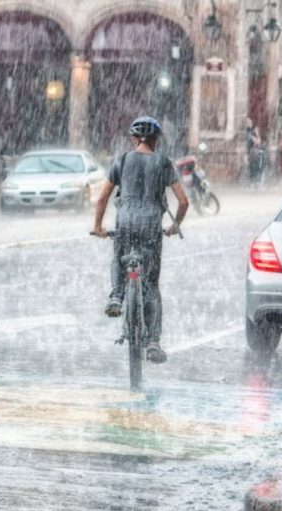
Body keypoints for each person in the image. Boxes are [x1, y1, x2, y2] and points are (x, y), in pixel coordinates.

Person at [91, 116, 189, 364]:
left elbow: (102, 198)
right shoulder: (164, 163)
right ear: (156, 140)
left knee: (118, 256)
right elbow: (183, 201)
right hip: (150, 228)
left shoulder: (122, 160)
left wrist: (98, 226)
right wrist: (174, 225)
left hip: (125, 223)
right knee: (151, 286)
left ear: (134, 139)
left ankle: (116, 295)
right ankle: (153, 341)